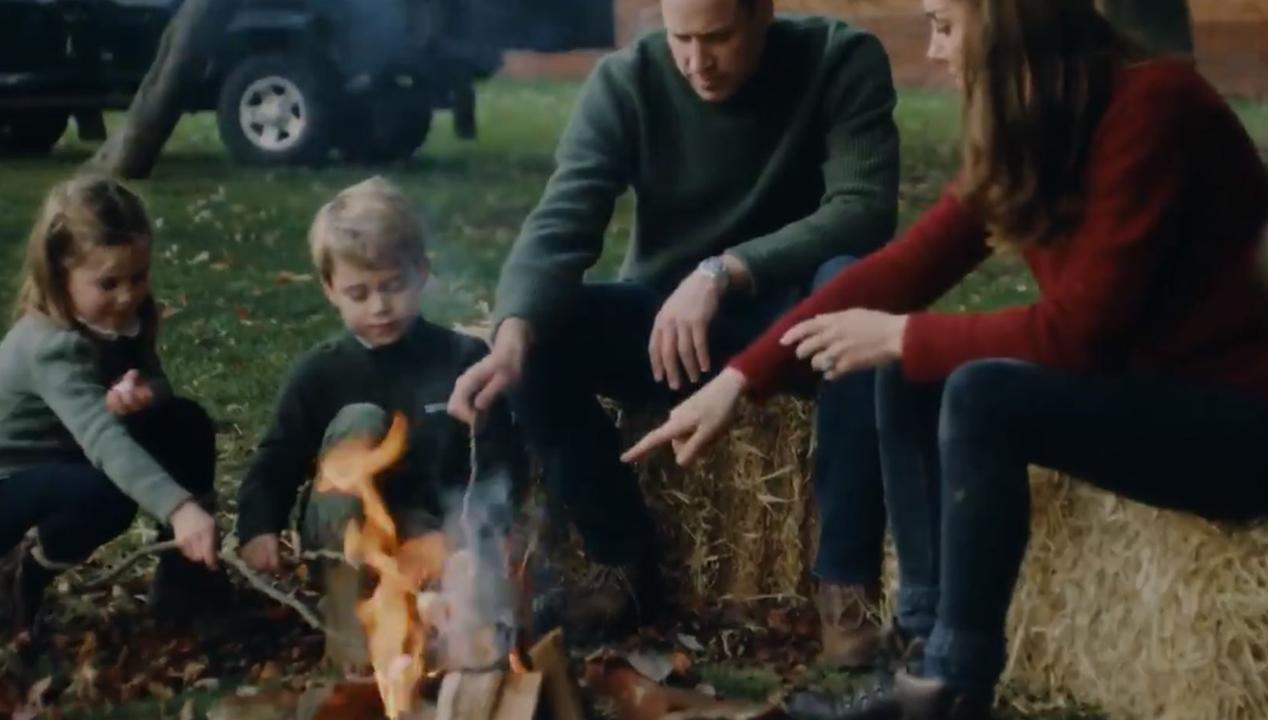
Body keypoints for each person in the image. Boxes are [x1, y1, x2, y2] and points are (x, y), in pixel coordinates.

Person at [623, 0, 1268, 716]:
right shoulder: (1033, 130)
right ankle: (921, 647)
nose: (934, 51)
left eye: (943, 23)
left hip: (1247, 423)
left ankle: (952, 686)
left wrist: (901, 335)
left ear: (1007, 23)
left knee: (977, 391)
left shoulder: (1155, 107)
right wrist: (740, 379)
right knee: (917, 367)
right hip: (1153, 398)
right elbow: (902, 268)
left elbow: (1081, 336)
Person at [448, 0, 901, 651]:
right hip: (667, 330)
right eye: (680, 37)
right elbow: (564, 217)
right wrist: (512, 333)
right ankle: (619, 561)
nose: (696, 61)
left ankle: (846, 584)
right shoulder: (626, 79)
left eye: (716, 38)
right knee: (542, 333)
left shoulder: (839, 59)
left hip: (796, 321)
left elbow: (863, 211)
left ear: (762, 14)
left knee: (857, 289)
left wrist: (724, 270)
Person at [235, 177, 523, 665]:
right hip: (346, 535)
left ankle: (443, 642)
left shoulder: (462, 358)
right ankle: (350, 629)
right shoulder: (321, 372)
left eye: (393, 286)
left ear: (422, 274)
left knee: (480, 615)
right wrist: (258, 527)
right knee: (360, 420)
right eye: (359, 292)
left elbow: (500, 456)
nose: (379, 306)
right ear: (330, 289)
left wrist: (489, 531)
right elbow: (277, 459)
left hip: (437, 533)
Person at [0, 174, 225, 642]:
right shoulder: (50, 347)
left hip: (69, 456)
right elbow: (104, 440)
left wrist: (146, 394)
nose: (127, 295)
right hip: (13, 482)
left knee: (185, 422)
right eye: (108, 283)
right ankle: (19, 576)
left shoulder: (127, 316)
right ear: (60, 273)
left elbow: (156, 381)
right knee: (108, 493)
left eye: (137, 277)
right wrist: (180, 506)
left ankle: (188, 585)